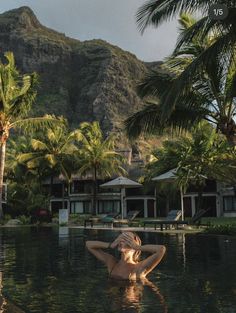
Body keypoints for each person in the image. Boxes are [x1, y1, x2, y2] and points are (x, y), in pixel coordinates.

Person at [86, 231, 166, 280]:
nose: (121, 241)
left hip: (131, 303)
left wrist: (138, 247)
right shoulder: (112, 262)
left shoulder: (139, 268)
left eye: (126, 239)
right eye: (120, 238)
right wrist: (110, 245)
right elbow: (88, 244)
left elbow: (161, 250)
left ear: (134, 243)